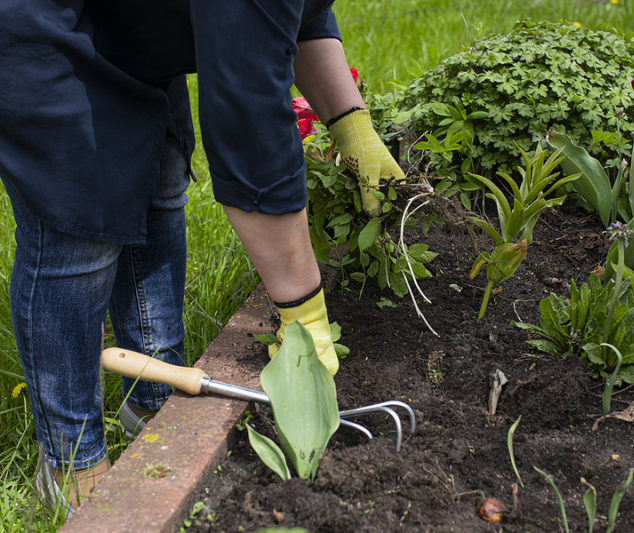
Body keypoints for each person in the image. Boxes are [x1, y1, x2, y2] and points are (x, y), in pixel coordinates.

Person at [0, 0, 404, 515]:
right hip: (42, 27)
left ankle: (154, 402)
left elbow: (295, 15)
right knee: (78, 231)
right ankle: (69, 461)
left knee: (159, 188)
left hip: (128, 28)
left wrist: (351, 126)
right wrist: (303, 308)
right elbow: (249, 123)